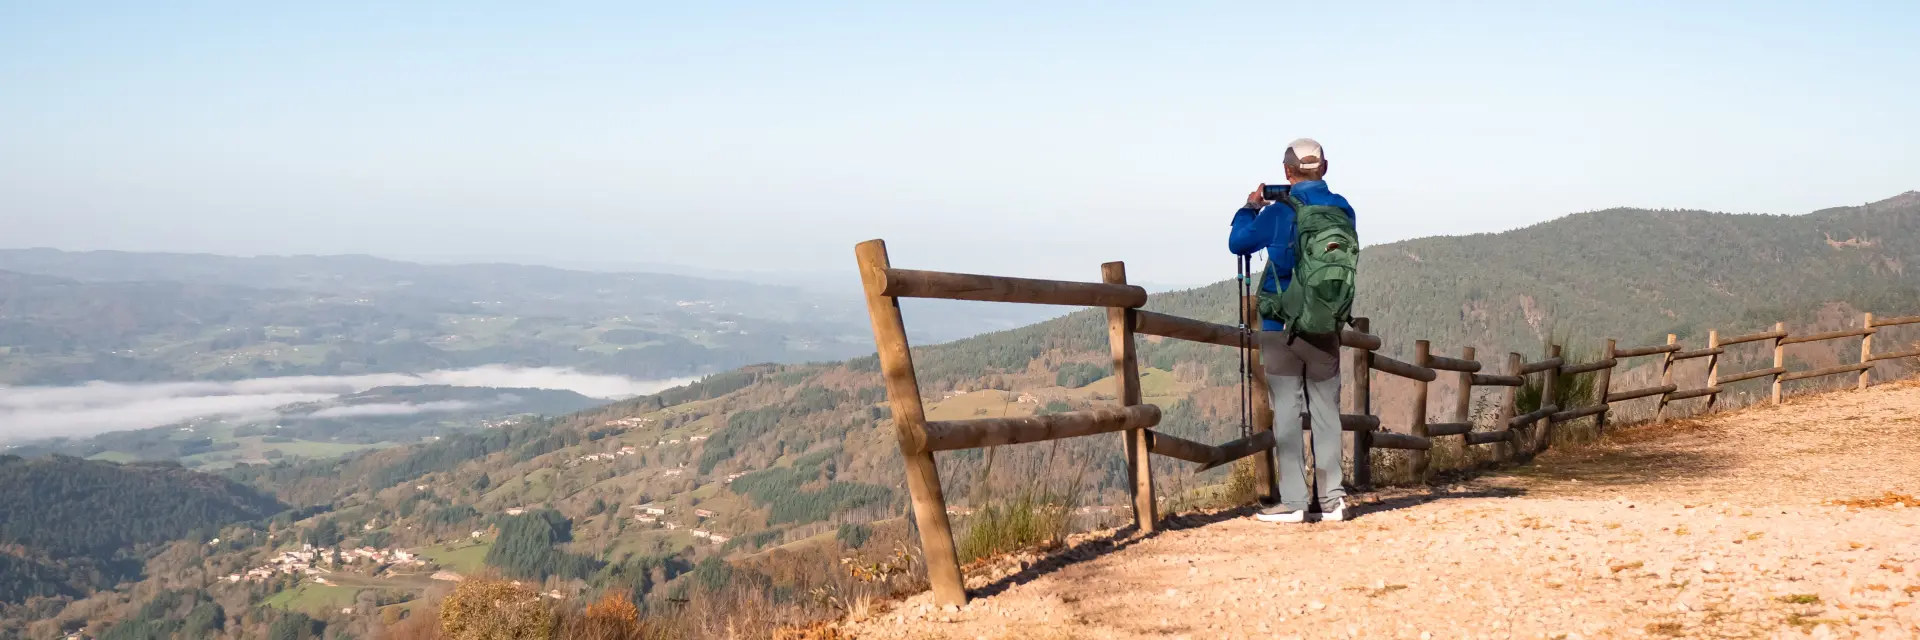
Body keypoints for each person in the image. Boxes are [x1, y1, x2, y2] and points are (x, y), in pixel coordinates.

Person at [1227, 138, 1357, 523]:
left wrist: (1250, 208)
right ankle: (1333, 499)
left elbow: (1238, 243)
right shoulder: (1342, 209)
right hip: (1325, 323)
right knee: (1326, 412)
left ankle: (1296, 502)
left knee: (1286, 412)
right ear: (1326, 168)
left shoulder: (1278, 213)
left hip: (1279, 324)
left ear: (1287, 173)